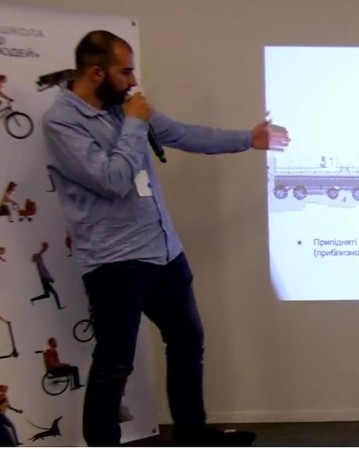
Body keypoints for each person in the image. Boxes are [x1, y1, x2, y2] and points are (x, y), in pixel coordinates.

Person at [41, 30, 290, 447]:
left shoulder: (124, 107)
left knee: (188, 342)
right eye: (125, 72)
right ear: (96, 73)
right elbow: (112, 180)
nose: (133, 80)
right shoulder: (62, 122)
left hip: (164, 251)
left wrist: (248, 139)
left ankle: (192, 433)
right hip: (114, 261)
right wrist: (135, 124)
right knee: (115, 363)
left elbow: (184, 134)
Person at [29, 242, 64, 309]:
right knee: (53, 293)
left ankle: (32, 299)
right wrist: (43, 248)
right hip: (44, 279)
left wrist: (49, 277)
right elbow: (40, 254)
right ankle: (59, 307)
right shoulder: (38, 259)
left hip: (44, 279)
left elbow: (44, 268)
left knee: (47, 295)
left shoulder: (39, 259)